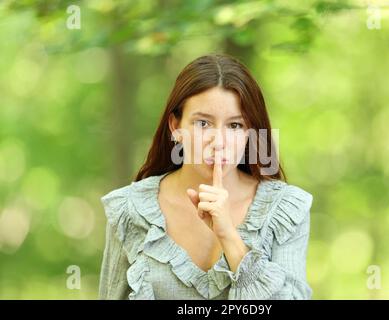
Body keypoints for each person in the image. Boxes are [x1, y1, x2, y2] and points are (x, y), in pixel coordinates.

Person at [98, 53, 313, 300]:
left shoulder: (285, 210)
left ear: (250, 134)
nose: (219, 141)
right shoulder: (130, 209)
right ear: (175, 127)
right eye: (203, 123)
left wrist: (229, 236)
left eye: (235, 126)